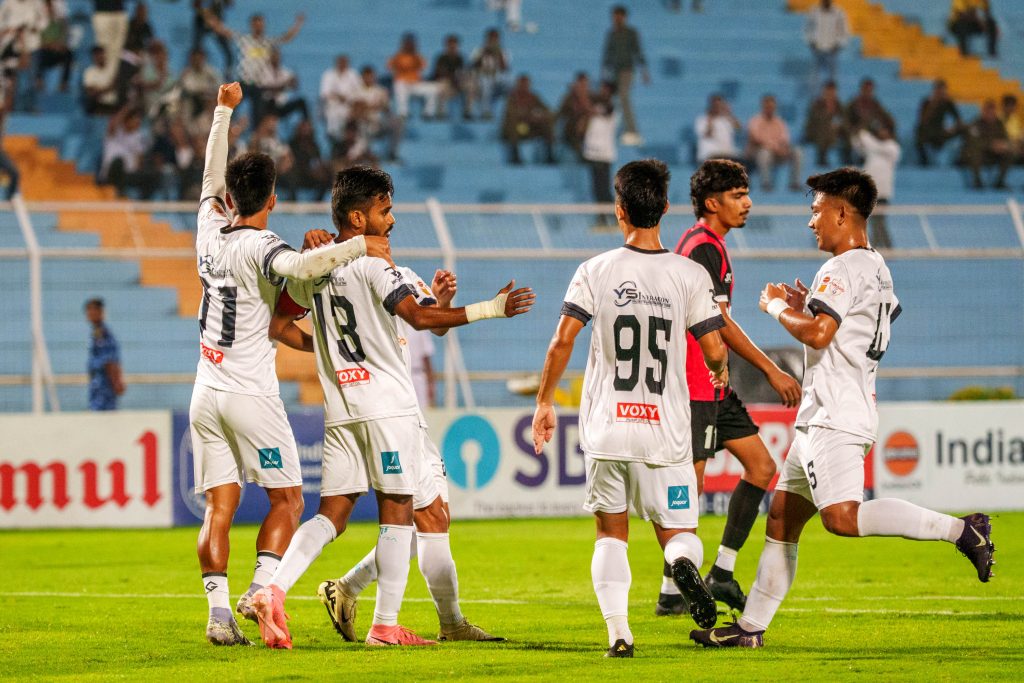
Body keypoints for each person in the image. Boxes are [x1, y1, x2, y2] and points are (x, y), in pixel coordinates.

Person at [690, 168, 995, 649]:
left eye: (816, 212)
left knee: (842, 519)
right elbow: (862, 321)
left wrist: (773, 306)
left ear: (840, 212)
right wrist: (809, 302)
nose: (811, 222)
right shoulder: (876, 266)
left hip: (833, 416)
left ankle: (961, 530)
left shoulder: (840, 268)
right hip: (833, 411)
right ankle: (749, 629)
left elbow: (818, 334)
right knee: (782, 520)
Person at [250, 165, 532, 649]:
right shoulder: (376, 265)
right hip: (388, 407)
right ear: (358, 218)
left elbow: (279, 324)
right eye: (385, 210)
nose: (393, 219)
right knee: (399, 510)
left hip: (342, 407)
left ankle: (272, 589)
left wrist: (333, 355)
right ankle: (385, 626)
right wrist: (492, 308)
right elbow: (419, 319)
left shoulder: (313, 263)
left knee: (333, 513)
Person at [189, 82, 392, 647]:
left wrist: (223, 112)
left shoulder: (207, 229)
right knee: (289, 500)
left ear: (230, 197)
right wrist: (358, 247)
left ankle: (217, 614)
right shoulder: (263, 246)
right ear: (272, 198)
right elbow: (303, 268)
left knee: (219, 505)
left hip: (204, 391)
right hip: (251, 392)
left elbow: (208, 177)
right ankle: (261, 590)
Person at [532, 159, 729, 658]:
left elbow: (562, 342)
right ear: (665, 208)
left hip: (608, 427)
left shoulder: (594, 270)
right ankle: (682, 562)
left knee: (609, 532)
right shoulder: (688, 273)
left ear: (620, 211)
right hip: (664, 431)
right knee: (679, 532)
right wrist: (721, 370)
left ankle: (619, 633)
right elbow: (713, 348)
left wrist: (544, 401)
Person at [653, 159, 801, 617]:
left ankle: (720, 571)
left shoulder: (709, 245)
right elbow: (718, 322)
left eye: (747, 194)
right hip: (694, 385)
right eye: (738, 196)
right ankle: (672, 592)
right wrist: (771, 369)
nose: (748, 203)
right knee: (689, 490)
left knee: (760, 466)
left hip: (713, 384)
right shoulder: (702, 248)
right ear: (712, 202)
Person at [204, 11, 304, 126]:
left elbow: (286, 38)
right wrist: (209, 17)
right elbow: (224, 32)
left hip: (259, 85)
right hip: (243, 82)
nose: (259, 27)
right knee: (231, 111)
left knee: (258, 117)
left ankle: (254, 138)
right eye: (256, 24)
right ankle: (227, 131)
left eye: (261, 24)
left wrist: (298, 24)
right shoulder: (244, 39)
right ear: (252, 25)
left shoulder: (267, 42)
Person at [601, 5, 648, 146]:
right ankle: (614, 131)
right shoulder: (611, 34)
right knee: (612, 101)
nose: (617, 19)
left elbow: (638, 51)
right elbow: (607, 54)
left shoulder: (631, 33)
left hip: (627, 70)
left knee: (623, 97)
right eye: (615, 16)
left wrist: (644, 70)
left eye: (619, 16)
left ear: (624, 17)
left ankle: (632, 131)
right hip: (613, 71)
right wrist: (604, 73)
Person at [854, 126, 900, 248]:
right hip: (870, 192)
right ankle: (877, 246)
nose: (882, 131)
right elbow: (859, 147)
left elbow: (874, 146)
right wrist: (858, 136)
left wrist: (865, 136)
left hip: (883, 193)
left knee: (879, 221)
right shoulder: (872, 151)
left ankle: (887, 246)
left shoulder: (892, 148)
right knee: (874, 221)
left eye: (885, 130)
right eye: (881, 130)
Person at [746, 94, 802, 192]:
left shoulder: (780, 122)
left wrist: (783, 148)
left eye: (772, 107)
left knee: (798, 152)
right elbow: (756, 140)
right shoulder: (755, 121)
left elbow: (785, 140)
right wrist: (775, 148)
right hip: (759, 152)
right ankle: (766, 184)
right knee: (764, 153)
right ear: (763, 106)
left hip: (778, 153)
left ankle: (794, 183)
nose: (769, 109)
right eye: (767, 107)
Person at [501, 74, 555, 165]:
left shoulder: (533, 97)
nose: (524, 87)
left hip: (529, 128)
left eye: (526, 84)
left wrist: (539, 116)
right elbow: (511, 114)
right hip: (515, 130)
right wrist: (528, 116)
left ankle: (550, 154)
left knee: (546, 121)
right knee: (512, 123)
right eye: (522, 84)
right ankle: (515, 155)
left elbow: (547, 110)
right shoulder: (512, 98)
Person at [582, 81, 616, 227]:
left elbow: (600, 111)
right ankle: (601, 218)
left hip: (605, 154)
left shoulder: (612, 107)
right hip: (592, 154)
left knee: (604, 190)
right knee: (596, 189)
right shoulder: (598, 107)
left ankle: (616, 218)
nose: (601, 92)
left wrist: (582, 94)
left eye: (604, 89)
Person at [961, 98, 1011, 189]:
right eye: (988, 112)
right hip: (979, 155)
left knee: (1009, 153)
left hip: (993, 154)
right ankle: (977, 181)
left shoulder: (999, 124)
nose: (991, 115)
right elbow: (973, 142)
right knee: (974, 152)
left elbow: (1005, 138)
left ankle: (999, 181)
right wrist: (991, 145)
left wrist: (1002, 145)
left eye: (993, 112)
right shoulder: (976, 123)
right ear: (983, 112)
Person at [387, 33, 439, 120]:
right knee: (399, 85)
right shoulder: (398, 56)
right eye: (407, 43)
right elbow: (389, 67)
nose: (409, 45)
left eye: (411, 43)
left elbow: (424, 67)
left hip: (415, 84)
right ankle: (403, 112)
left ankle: (428, 113)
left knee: (433, 89)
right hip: (403, 84)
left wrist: (415, 54)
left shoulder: (417, 56)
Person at [85, 297, 124, 410]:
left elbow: (110, 360)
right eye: (88, 310)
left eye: (93, 310)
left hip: (103, 385)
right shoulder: (95, 332)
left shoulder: (103, 333)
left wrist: (116, 382)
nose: (89, 313)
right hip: (98, 383)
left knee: (102, 417)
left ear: (100, 312)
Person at [843, 78, 895, 163]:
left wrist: (885, 130)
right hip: (855, 135)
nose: (868, 92)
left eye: (870, 90)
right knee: (861, 139)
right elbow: (846, 121)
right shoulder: (853, 104)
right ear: (861, 89)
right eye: (866, 89)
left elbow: (888, 119)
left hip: (872, 135)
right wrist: (852, 131)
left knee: (888, 144)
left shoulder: (876, 105)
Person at [804, 0, 849, 96]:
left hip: (832, 50)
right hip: (817, 49)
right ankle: (814, 98)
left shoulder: (839, 12)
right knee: (814, 77)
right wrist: (811, 41)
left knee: (833, 77)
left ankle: (833, 98)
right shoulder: (813, 11)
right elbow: (807, 28)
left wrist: (839, 44)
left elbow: (844, 31)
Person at [914, 80, 962, 166]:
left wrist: (952, 128)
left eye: (943, 90)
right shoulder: (927, 102)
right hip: (929, 132)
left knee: (965, 129)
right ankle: (924, 160)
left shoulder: (948, 103)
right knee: (919, 130)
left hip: (941, 132)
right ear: (934, 90)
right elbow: (922, 121)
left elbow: (958, 119)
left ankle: (961, 159)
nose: (941, 93)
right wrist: (934, 104)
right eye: (938, 90)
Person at [802, 80, 847, 167]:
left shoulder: (839, 106)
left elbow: (845, 121)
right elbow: (812, 121)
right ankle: (822, 156)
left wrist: (838, 125)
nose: (830, 94)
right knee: (824, 128)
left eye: (832, 91)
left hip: (835, 133)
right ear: (824, 91)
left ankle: (847, 157)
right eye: (828, 91)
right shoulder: (816, 104)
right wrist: (829, 119)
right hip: (816, 132)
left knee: (843, 131)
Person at [258, 48, 308, 124]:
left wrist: (294, 82)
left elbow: (294, 86)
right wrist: (283, 85)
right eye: (274, 56)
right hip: (268, 105)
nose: (276, 58)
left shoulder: (285, 71)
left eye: (278, 56)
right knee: (271, 101)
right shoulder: (264, 71)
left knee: (301, 102)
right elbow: (263, 87)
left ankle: (306, 124)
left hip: (282, 105)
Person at [468, 28, 509, 120]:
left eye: (496, 38)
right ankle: (485, 111)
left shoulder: (502, 51)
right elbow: (472, 65)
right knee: (486, 84)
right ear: (487, 39)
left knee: (510, 83)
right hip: (482, 76)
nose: (493, 41)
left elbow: (505, 68)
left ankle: (509, 111)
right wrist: (483, 53)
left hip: (498, 77)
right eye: (491, 38)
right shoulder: (479, 50)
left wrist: (499, 54)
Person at [319, 54, 360, 143]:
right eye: (340, 62)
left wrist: (347, 98)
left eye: (345, 62)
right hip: (331, 106)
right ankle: (334, 137)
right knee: (333, 116)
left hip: (349, 106)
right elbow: (324, 93)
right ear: (336, 63)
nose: (343, 64)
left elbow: (358, 92)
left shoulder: (353, 75)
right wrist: (338, 97)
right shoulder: (328, 74)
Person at [430, 34, 471, 120]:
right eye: (450, 44)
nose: (452, 46)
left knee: (470, 86)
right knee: (441, 85)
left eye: (454, 44)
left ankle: (467, 111)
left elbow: (464, 71)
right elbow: (438, 73)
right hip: (446, 83)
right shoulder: (441, 57)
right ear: (446, 45)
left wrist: (459, 79)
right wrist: (452, 78)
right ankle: (441, 113)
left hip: (458, 83)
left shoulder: (460, 58)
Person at [35, 0, 71, 93]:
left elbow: (64, 38)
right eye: (48, 7)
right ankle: (39, 80)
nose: (50, 9)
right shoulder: (41, 24)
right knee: (39, 54)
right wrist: (50, 45)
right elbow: (39, 42)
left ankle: (64, 82)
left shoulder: (60, 23)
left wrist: (59, 45)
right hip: (46, 53)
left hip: (57, 51)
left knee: (68, 54)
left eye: (51, 7)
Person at [695, 93, 741, 163]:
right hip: (711, 154)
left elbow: (739, 128)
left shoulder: (727, 119)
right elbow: (707, 134)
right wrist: (710, 119)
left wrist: (729, 113)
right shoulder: (702, 119)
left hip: (728, 154)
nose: (717, 107)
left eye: (720, 105)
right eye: (715, 105)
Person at [557, 71, 593, 160]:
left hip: (591, 128)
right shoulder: (569, 97)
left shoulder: (592, 96)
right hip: (572, 128)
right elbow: (561, 112)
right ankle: (582, 155)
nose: (583, 86)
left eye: (585, 84)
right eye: (581, 84)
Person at [178, 48, 222, 120]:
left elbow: (221, 87)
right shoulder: (186, 73)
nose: (197, 61)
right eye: (195, 59)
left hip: (209, 101)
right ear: (191, 59)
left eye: (199, 58)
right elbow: (190, 89)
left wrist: (211, 93)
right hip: (193, 102)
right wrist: (205, 91)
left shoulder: (211, 72)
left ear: (204, 58)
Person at [91, 0, 127, 84]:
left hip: (119, 12)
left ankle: (112, 84)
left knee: (116, 51)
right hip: (102, 13)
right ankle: (101, 84)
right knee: (103, 51)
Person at [192, 0, 233, 73]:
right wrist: (215, 24)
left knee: (228, 51)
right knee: (197, 49)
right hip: (201, 22)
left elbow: (229, 4)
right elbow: (197, 6)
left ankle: (228, 72)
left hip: (216, 20)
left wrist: (219, 26)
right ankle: (195, 71)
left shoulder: (218, 6)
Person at [406, 327, 436, 408]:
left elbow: (426, 356)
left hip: (417, 375)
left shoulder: (420, 327)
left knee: (422, 411)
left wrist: (431, 384)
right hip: (401, 374)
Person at [82, 45, 118, 114]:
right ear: (93, 57)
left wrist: (99, 89)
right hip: (99, 104)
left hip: (115, 103)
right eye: (96, 55)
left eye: (101, 54)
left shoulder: (113, 68)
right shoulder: (89, 72)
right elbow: (91, 92)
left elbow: (117, 84)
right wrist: (109, 88)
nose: (99, 57)